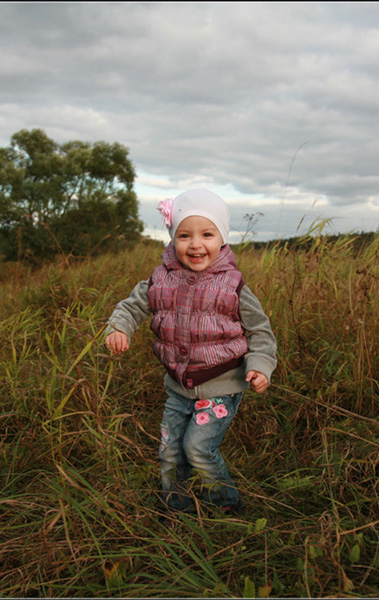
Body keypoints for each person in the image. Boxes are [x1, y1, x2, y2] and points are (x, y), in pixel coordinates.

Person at [105, 188, 278, 519]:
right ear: (172, 239)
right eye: (184, 235)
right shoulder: (160, 279)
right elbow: (132, 306)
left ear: (222, 239)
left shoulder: (233, 286)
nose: (195, 244)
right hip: (177, 386)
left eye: (207, 234)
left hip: (221, 385)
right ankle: (176, 507)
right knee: (170, 451)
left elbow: (260, 331)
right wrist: (119, 328)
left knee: (197, 448)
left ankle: (225, 502)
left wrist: (259, 367)